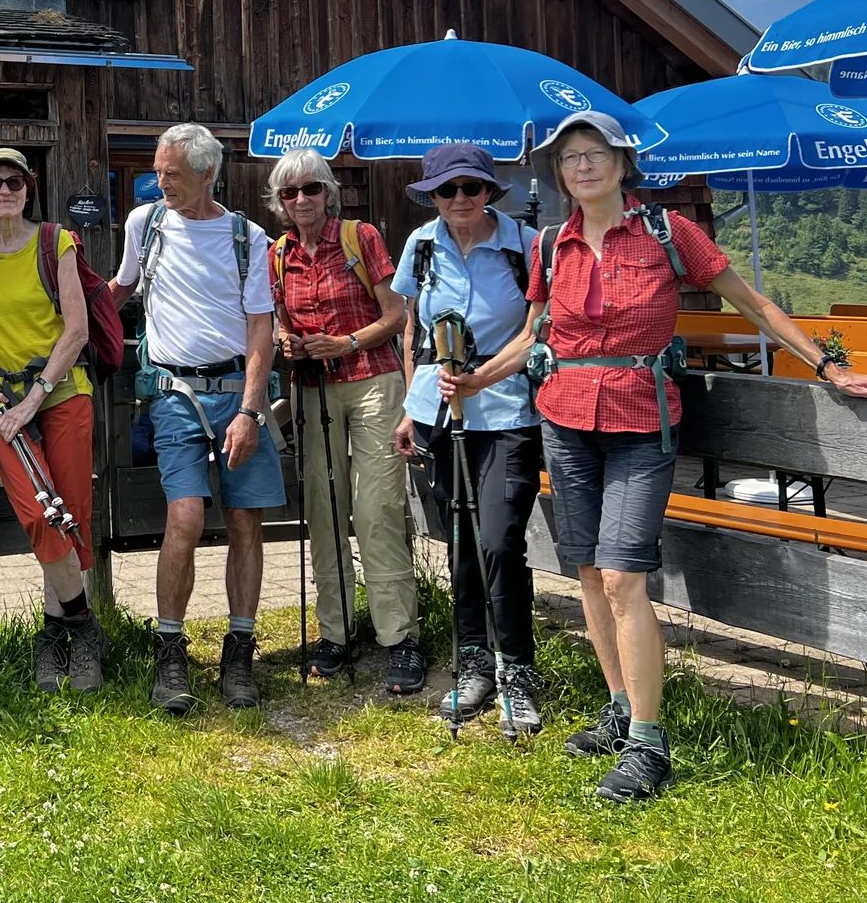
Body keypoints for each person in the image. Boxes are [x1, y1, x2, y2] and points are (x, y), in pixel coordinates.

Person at [443, 110, 867, 802]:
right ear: (559, 176)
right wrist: (478, 378)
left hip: (640, 423)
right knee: (591, 574)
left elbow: (751, 303)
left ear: (623, 165)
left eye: (597, 153)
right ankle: (622, 708)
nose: (584, 165)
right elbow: (538, 334)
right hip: (564, 421)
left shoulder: (666, 232)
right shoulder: (549, 246)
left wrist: (830, 367)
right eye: (570, 158)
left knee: (625, 577)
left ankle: (650, 747)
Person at [109, 123, 280, 714]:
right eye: (158, 173)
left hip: (237, 390)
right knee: (183, 518)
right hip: (172, 391)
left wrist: (251, 412)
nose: (161, 185)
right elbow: (122, 287)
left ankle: (239, 652)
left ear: (209, 174)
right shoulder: (145, 223)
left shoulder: (247, 237)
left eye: (172, 175)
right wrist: (67, 320)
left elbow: (263, 327)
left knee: (244, 522)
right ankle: (170, 653)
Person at [389, 145, 542, 734]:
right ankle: (475, 665)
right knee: (459, 542)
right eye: (446, 191)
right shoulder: (421, 245)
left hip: (506, 410)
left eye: (471, 189)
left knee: (500, 540)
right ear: (431, 195)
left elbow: (536, 330)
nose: (459, 200)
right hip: (438, 410)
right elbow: (412, 328)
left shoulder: (526, 245)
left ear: (489, 192)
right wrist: (409, 406)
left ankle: (518, 672)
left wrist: (479, 376)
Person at [265, 151, 421, 694]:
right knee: (323, 509)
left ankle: (399, 636)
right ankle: (336, 632)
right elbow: (280, 319)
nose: (301, 199)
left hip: (373, 378)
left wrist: (347, 341)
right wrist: (289, 341)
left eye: (310, 188)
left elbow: (396, 313)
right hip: (313, 389)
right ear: (280, 202)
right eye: (290, 193)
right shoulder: (279, 254)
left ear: (327, 191)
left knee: (376, 507)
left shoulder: (361, 238)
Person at [0, 148, 109, 694]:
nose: (4, 190)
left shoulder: (56, 242)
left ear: (29, 187)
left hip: (63, 393)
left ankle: (53, 635)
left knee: (73, 518)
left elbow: (76, 330)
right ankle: (84, 628)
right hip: (2, 403)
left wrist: (36, 395)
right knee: (42, 517)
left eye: (14, 182)